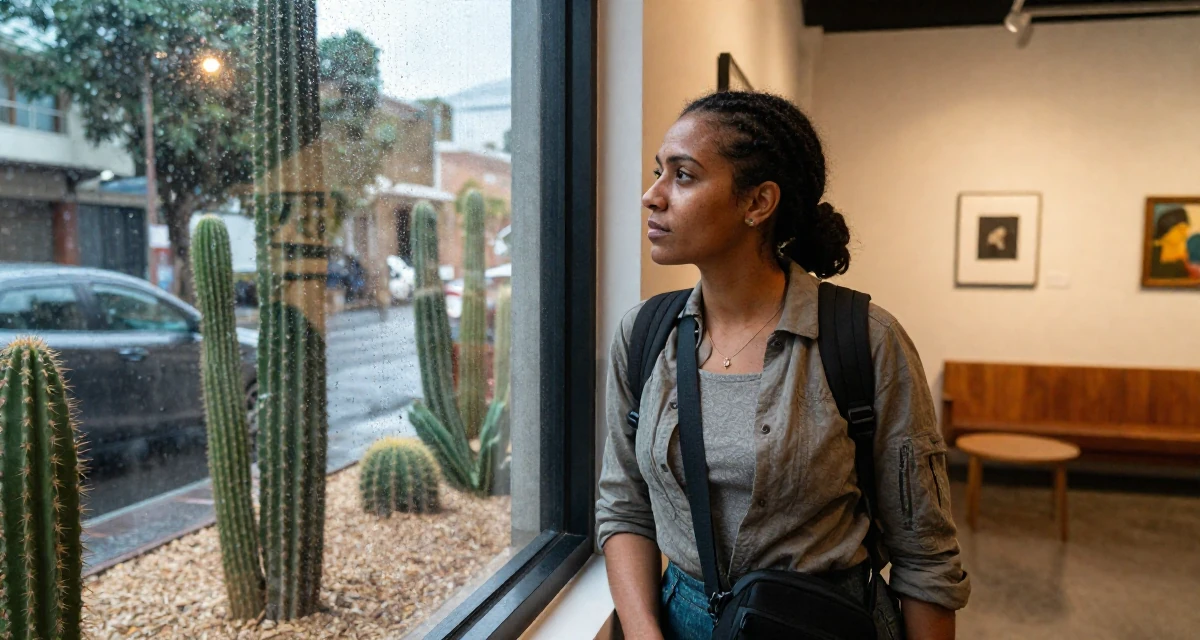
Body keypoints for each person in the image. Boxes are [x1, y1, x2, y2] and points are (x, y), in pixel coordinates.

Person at [596, 91, 970, 640]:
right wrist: (645, 632)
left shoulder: (865, 340)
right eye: (659, 172)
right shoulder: (645, 335)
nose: (652, 196)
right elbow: (624, 505)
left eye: (683, 176)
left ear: (758, 203)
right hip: (679, 622)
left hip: (822, 623)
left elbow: (926, 555)